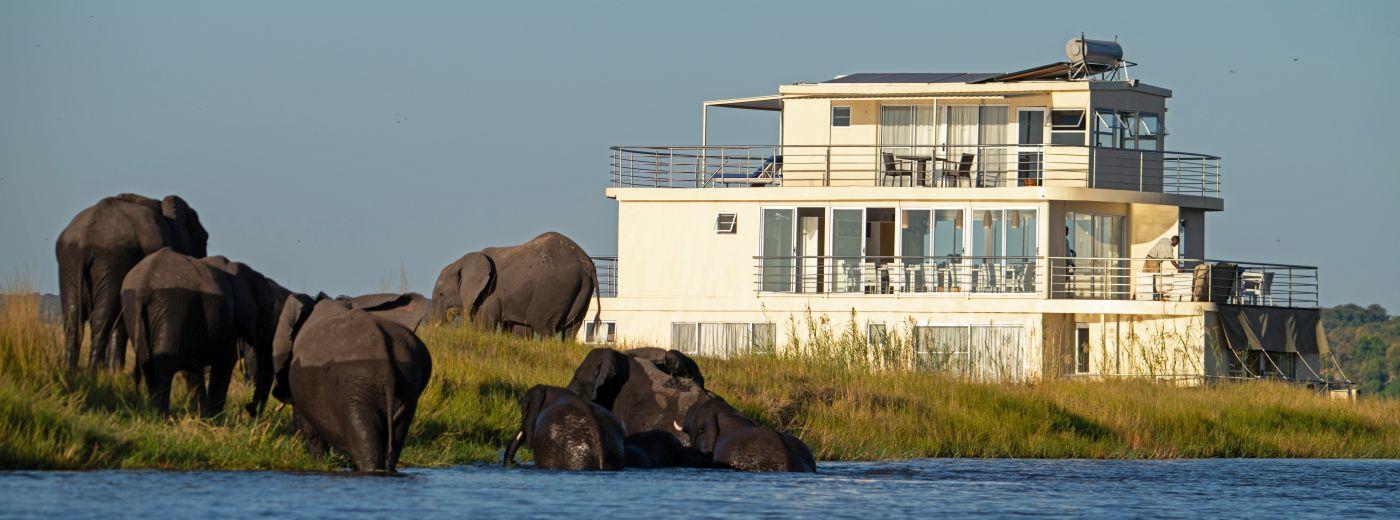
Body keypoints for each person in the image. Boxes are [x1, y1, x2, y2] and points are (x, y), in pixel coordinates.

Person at [1144, 235, 1180, 300]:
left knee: (1144, 277)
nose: (1176, 245)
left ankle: (1141, 293)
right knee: (1156, 278)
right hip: (1153, 261)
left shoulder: (1164, 239)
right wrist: (1179, 268)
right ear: (1174, 240)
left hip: (1148, 257)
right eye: (1177, 243)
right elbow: (1172, 260)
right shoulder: (1169, 246)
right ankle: (1155, 295)